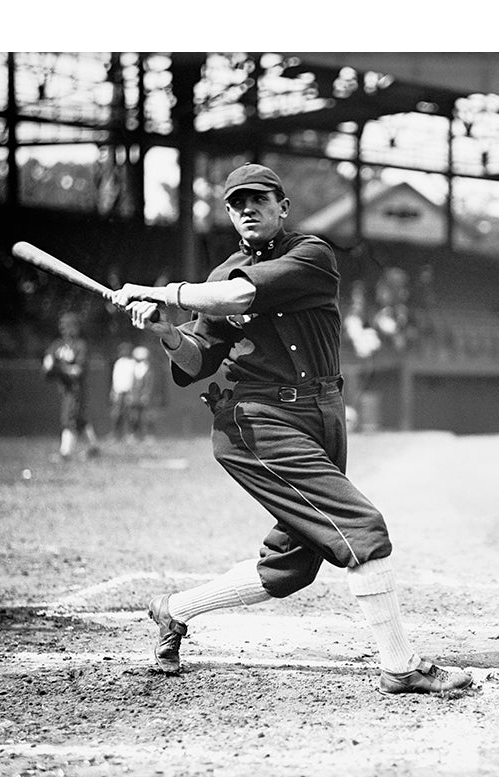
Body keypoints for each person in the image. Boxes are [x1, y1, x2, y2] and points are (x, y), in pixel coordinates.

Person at [111, 162, 470, 696]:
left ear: (283, 207)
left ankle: (173, 610)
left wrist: (161, 293)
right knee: (361, 527)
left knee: (293, 565)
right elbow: (193, 363)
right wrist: (166, 331)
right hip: (253, 421)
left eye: (259, 199)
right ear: (230, 216)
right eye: (237, 204)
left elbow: (240, 298)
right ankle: (399, 665)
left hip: (320, 413)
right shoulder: (216, 279)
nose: (248, 209)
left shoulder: (312, 255)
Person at [43, 311, 100, 460]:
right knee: (79, 419)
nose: (65, 329)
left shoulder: (80, 345)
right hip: (64, 389)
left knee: (69, 418)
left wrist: (59, 367)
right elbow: (47, 364)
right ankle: (94, 448)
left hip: (76, 388)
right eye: (63, 326)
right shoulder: (58, 345)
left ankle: (65, 453)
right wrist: (50, 365)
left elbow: (77, 371)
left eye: (69, 326)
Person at [128, 345, 155, 443]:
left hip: (144, 396)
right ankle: (134, 435)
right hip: (135, 396)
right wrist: (131, 394)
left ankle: (148, 435)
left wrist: (146, 394)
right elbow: (132, 383)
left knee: (146, 416)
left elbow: (149, 384)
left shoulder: (147, 369)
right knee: (134, 416)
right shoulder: (134, 368)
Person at [109, 342, 136, 441]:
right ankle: (115, 434)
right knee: (116, 414)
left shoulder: (132, 363)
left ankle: (129, 434)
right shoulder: (118, 362)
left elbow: (134, 378)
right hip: (118, 391)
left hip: (128, 391)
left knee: (129, 414)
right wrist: (113, 391)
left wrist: (132, 393)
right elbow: (114, 378)